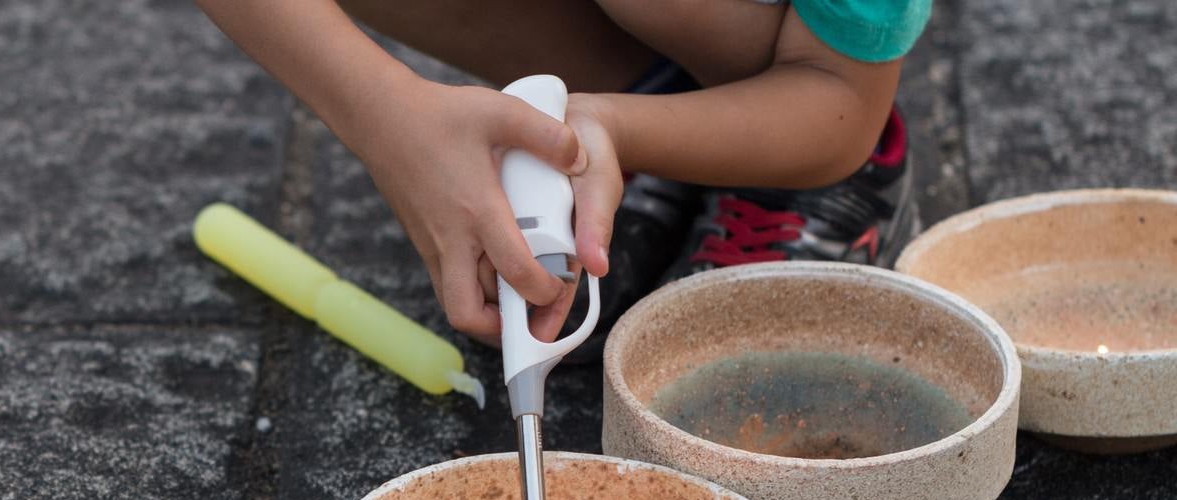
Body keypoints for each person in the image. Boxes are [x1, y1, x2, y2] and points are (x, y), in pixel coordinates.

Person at [197, 0, 928, 352]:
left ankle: (778, 153)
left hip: (813, 80)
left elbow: (838, 90)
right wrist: (387, 119)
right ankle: (674, 101)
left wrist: (611, 129)